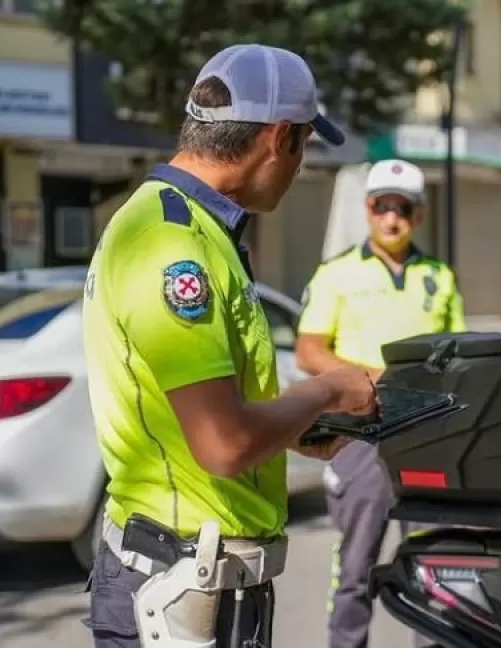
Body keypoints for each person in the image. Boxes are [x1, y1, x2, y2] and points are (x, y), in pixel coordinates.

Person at [81, 44, 377, 648]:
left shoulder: (195, 229)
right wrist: (325, 391)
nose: (298, 168)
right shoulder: (173, 245)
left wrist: (296, 428)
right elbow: (222, 444)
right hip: (176, 589)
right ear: (279, 138)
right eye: (304, 146)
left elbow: (216, 415)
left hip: (200, 581)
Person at [295, 159, 466, 648]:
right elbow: (310, 350)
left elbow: (458, 352)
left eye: (403, 208)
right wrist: (372, 378)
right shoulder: (337, 274)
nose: (392, 219)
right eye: (381, 207)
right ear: (367, 210)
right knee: (356, 566)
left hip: (428, 433)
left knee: (434, 566)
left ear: (420, 213)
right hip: (361, 434)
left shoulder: (440, 276)